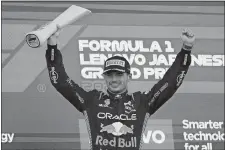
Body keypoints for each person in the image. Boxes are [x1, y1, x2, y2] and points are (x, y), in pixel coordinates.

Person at [45, 26, 195, 150]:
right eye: (109, 75)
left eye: (119, 74)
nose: (114, 79)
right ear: (104, 77)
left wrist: (186, 49)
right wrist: (52, 46)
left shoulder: (142, 102)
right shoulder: (91, 100)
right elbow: (61, 82)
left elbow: (169, 83)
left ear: (128, 76)